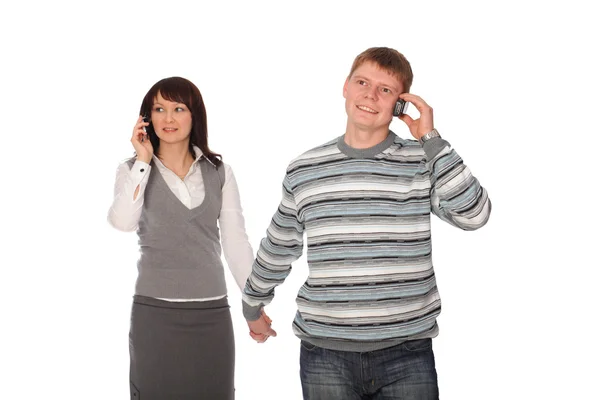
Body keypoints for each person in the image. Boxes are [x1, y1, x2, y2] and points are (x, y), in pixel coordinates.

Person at [242, 47, 492, 399]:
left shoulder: (422, 162)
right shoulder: (306, 169)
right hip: (325, 352)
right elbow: (280, 243)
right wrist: (253, 303)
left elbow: (475, 214)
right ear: (345, 87)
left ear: (401, 104)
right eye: (362, 82)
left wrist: (431, 141)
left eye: (386, 90)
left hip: (407, 351)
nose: (370, 95)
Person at [107, 76, 265, 399]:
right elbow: (122, 221)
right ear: (147, 118)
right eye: (159, 109)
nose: (168, 118)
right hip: (155, 317)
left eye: (178, 108)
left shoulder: (220, 171)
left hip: (213, 317)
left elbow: (235, 243)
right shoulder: (133, 169)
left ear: (194, 115)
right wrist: (143, 161)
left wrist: (254, 304)